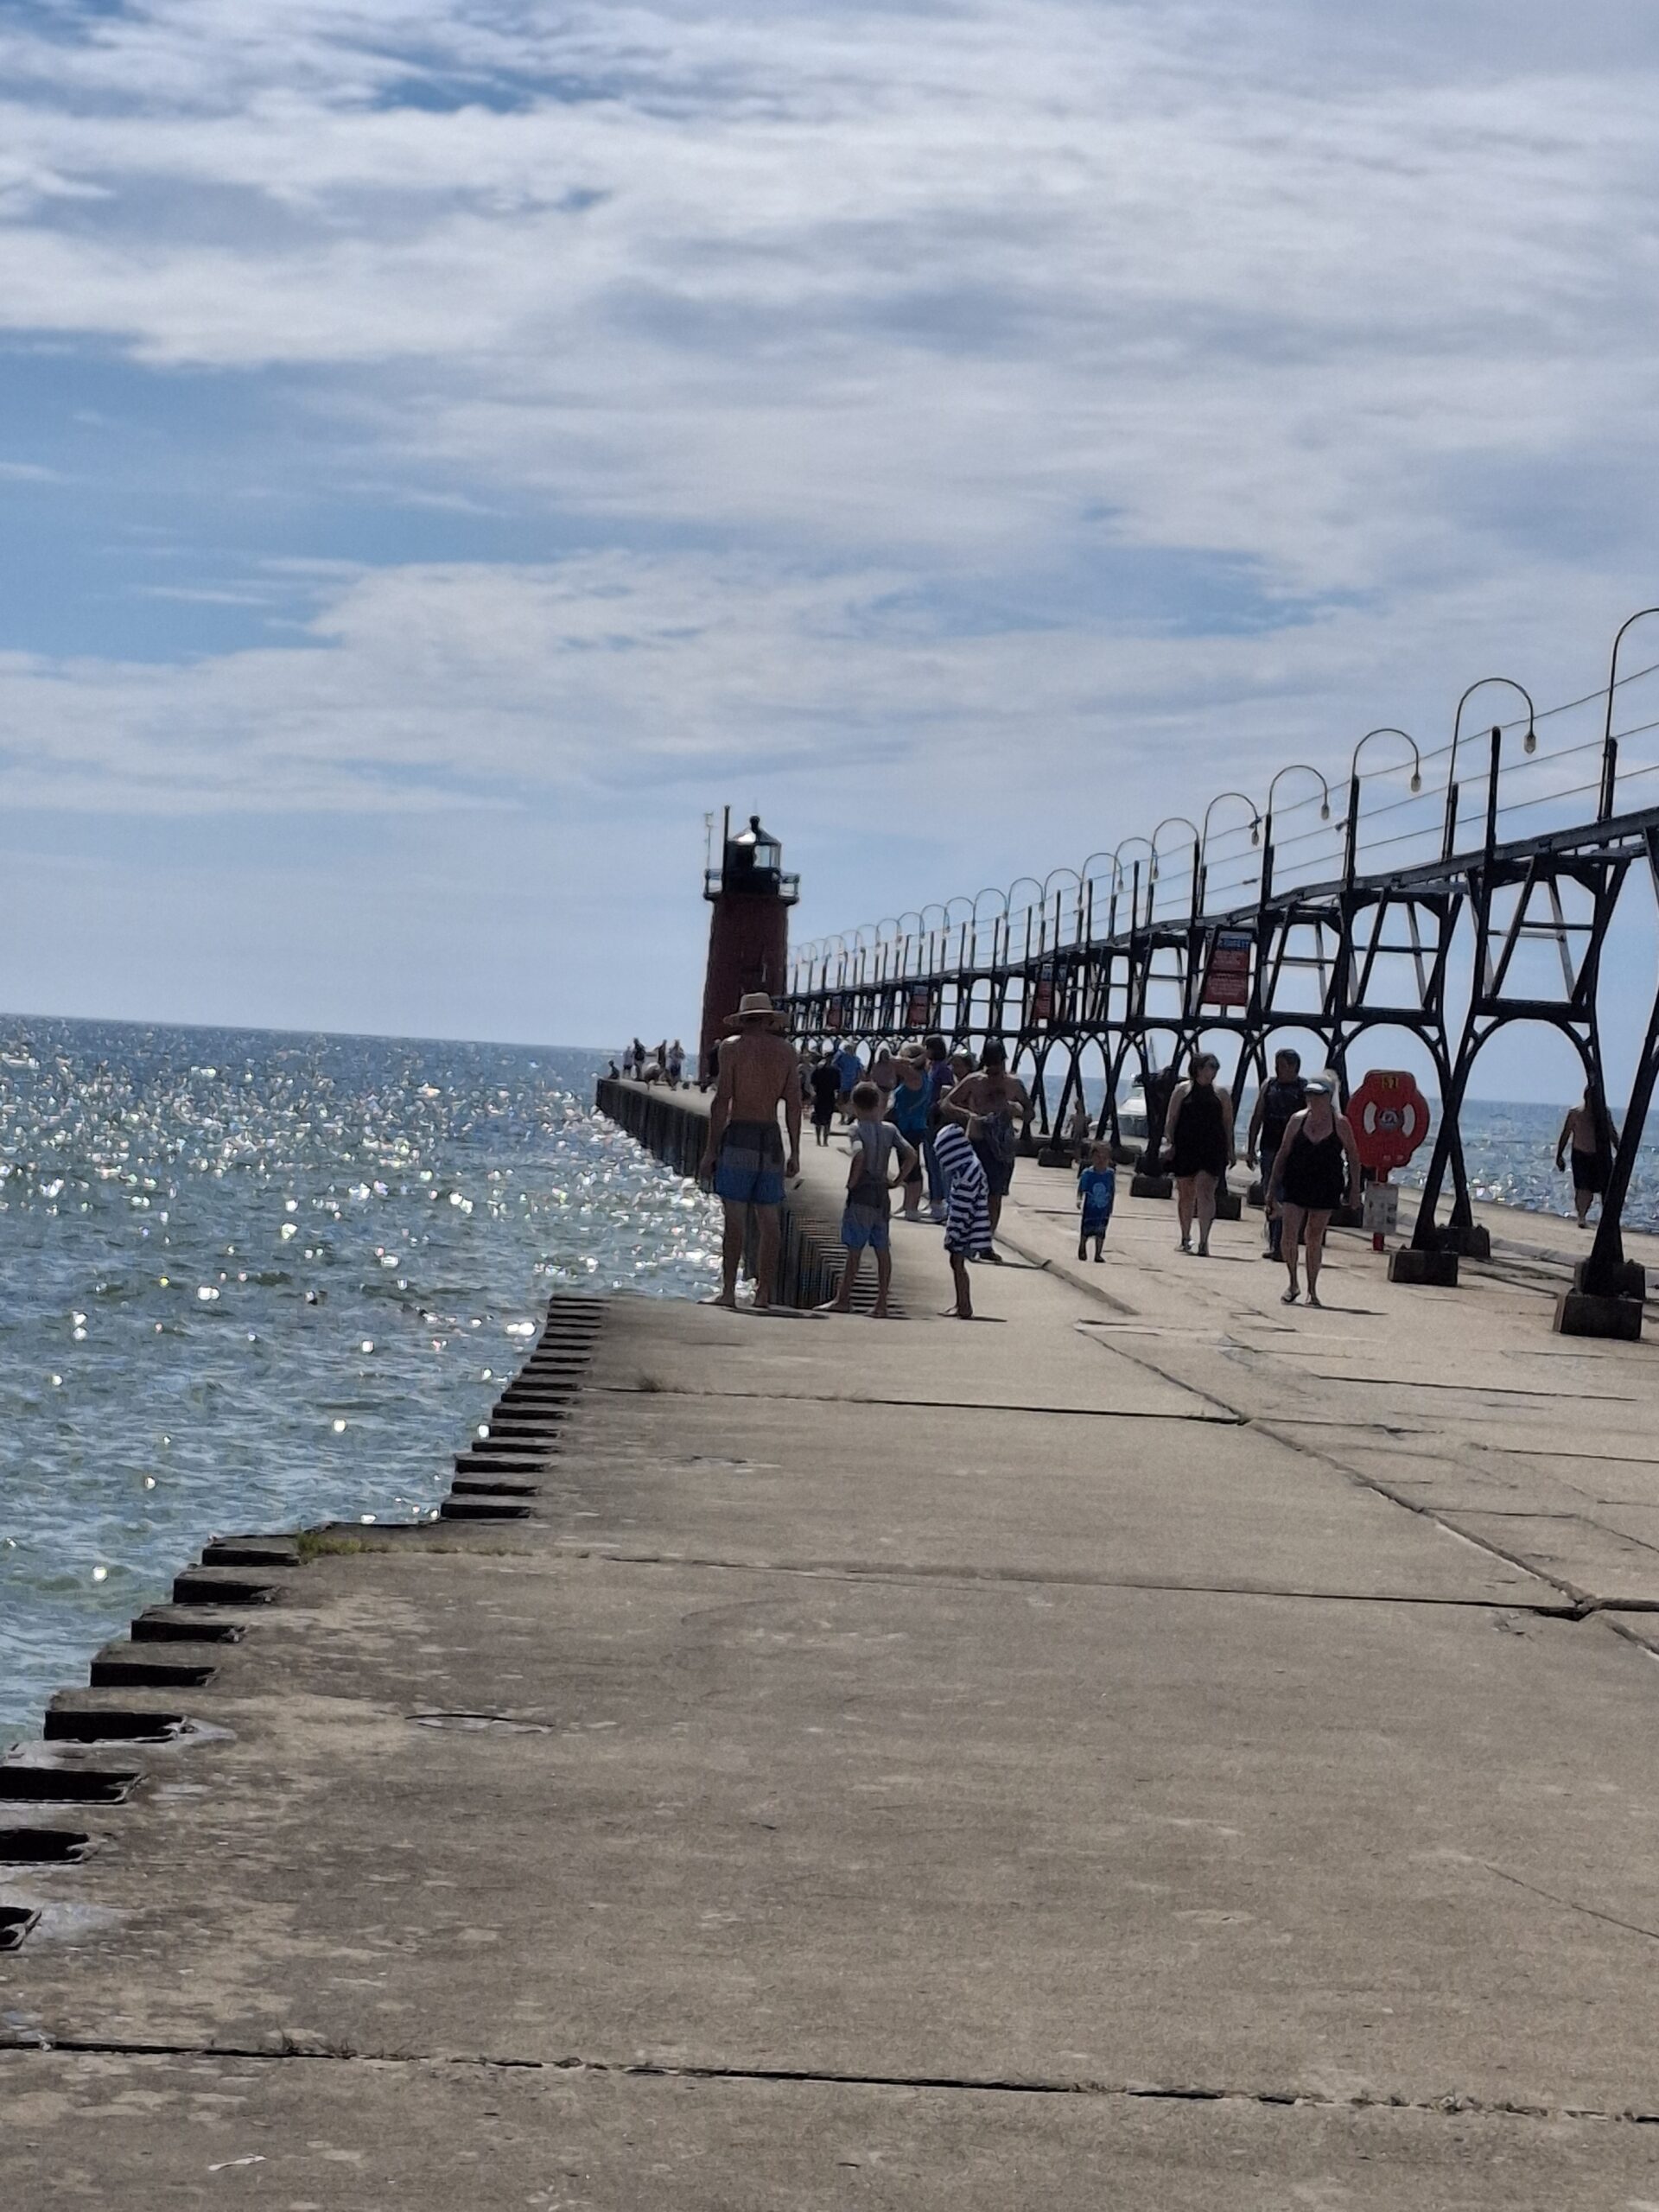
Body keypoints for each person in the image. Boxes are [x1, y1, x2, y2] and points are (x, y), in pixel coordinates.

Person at [698, 992, 802, 1309]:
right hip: (770, 1137)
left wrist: (711, 1150)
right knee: (769, 1220)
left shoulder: (731, 1048)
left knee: (735, 1218)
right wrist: (795, 1151)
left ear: (743, 1019)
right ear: (769, 1019)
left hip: (740, 1133)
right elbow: (794, 1105)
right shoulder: (786, 1052)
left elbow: (722, 1100)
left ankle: (729, 1291)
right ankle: (764, 1294)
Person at [818, 1081, 915, 1318]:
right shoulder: (889, 1129)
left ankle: (843, 1299)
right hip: (882, 1194)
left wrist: (852, 1182)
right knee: (882, 1250)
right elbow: (911, 1154)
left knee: (855, 1250)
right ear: (878, 1104)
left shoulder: (857, 1130)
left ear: (854, 1105)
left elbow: (859, 1154)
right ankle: (881, 1303)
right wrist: (897, 1180)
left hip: (862, 1193)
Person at [1268, 1073, 1360, 1308]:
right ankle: (1292, 1283)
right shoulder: (1297, 1120)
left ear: (1329, 1097)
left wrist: (1354, 1189)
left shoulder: (1340, 1123)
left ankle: (1312, 1289)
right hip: (1296, 1180)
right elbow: (1283, 1153)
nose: (1313, 1099)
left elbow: (1353, 1155)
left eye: (1319, 1094)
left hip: (1325, 1183)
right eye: (1310, 1094)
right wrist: (1271, 1188)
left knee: (1314, 1236)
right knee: (1289, 1234)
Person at [941, 1040, 1029, 1249]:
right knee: (971, 1190)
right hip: (977, 1140)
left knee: (995, 1195)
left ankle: (986, 1241)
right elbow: (946, 1103)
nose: (994, 1071)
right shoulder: (975, 1081)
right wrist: (969, 1115)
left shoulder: (1013, 1084)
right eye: (991, 1065)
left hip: (1002, 1146)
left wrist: (1016, 1110)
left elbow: (1030, 1113)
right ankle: (966, 1235)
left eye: (998, 1065)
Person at [1160, 1052, 1236, 1256]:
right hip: (1186, 1146)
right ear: (1199, 1068)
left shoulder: (1221, 1094)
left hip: (1212, 1147)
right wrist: (1171, 1143)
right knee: (1185, 1194)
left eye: (1216, 1067)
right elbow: (1172, 1119)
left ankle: (1204, 1240)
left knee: (1206, 1192)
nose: (1213, 1071)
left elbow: (1227, 1124)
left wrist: (1231, 1150)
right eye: (1211, 1066)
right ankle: (1185, 1237)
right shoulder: (1182, 1091)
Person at [1247, 1047, 1307, 1261]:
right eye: (1276, 1064)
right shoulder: (1269, 1085)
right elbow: (1257, 1116)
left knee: (1289, 1197)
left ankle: (1285, 1244)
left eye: (1281, 1065)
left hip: (1295, 1151)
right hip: (1270, 1147)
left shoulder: (1304, 1089)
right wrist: (1250, 1147)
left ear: (1293, 1067)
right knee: (1271, 1194)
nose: (1277, 1069)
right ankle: (1275, 1243)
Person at [932, 1119, 993, 1318]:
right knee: (957, 1264)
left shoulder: (966, 1175)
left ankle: (964, 1305)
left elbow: (963, 1208)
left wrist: (954, 1233)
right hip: (970, 1226)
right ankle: (961, 1303)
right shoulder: (971, 1166)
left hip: (965, 1229)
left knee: (957, 1264)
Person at [886, 1046, 932, 1219]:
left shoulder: (914, 1076)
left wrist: (911, 1060)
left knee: (911, 1166)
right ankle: (907, 1205)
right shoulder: (922, 1076)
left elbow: (892, 1062)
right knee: (906, 1163)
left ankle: (912, 1207)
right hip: (912, 1124)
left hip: (910, 1125)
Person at [1556, 1085, 1611, 1226]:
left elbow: (1611, 1132)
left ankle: (1601, 1218)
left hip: (1597, 1156)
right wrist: (1559, 1155)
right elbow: (1566, 1134)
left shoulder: (1603, 1113)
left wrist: (1620, 1150)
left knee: (1596, 1189)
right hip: (1580, 1154)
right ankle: (1581, 1217)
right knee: (1582, 1188)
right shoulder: (1576, 1113)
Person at [920, 1034, 953, 1221]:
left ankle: (939, 1203)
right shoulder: (932, 1068)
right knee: (930, 1162)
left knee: (936, 1162)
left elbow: (946, 1096)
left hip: (936, 1120)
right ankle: (934, 1200)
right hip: (927, 1119)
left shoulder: (943, 1070)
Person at [1076, 1141, 1116, 1262]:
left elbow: (1112, 1190)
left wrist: (1111, 1206)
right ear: (1092, 1158)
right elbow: (1081, 1188)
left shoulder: (1110, 1174)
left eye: (1104, 1158)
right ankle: (1082, 1246)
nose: (1101, 1160)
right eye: (1098, 1157)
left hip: (1103, 1210)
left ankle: (1098, 1254)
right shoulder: (1088, 1173)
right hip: (1090, 1209)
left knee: (1101, 1232)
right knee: (1086, 1230)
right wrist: (1079, 1199)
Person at [809, 1049, 841, 1147]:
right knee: (818, 1118)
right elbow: (813, 1083)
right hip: (821, 1095)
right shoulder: (820, 1070)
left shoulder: (835, 1071)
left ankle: (825, 1140)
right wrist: (813, 1094)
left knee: (828, 1119)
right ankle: (819, 1139)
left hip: (829, 1096)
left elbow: (837, 1086)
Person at [833, 1040, 863, 1119]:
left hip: (851, 1083)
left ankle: (848, 1115)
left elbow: (860, 1070)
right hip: (842, 1082)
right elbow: (834, 1064)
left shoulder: (856, 1059)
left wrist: (859, 1079)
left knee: (849, 1100)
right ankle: (843, 1115)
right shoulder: (841, 1056)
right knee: (840, 1101)